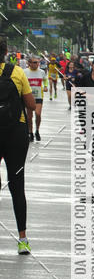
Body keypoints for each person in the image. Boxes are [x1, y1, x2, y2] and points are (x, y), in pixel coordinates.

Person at [0, 39, 36, 255]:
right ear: (6, 53)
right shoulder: (18, 73)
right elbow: (31, 105)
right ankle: (22, 239)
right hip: (16, 133)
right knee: (16, 184)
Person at [24, 55, 47, 141]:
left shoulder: (42, 72)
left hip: (38, 96)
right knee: (29, 116)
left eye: (38, 62)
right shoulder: (24, 72)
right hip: (28, 96)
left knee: (38, 114)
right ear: (29, 63)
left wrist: (45, 86)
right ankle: (30, 132)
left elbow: (45, 80)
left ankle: (37, 130)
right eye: (34, 62)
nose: (36, 64)